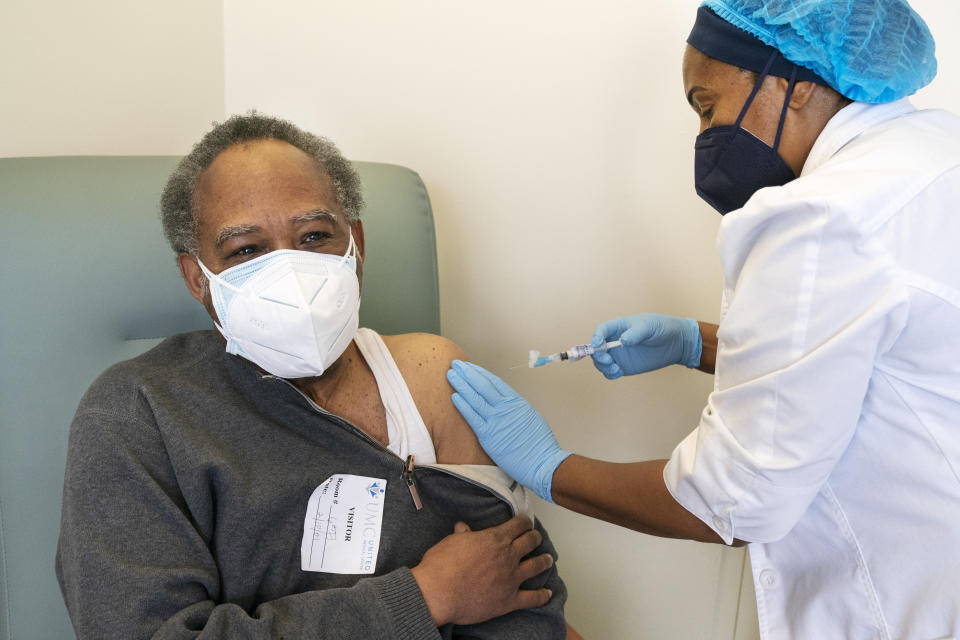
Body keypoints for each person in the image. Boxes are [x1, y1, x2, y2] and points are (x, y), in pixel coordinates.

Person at [447, 1, 960, 638]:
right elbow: (868, 349)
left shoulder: (823, 220)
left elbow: (732, 505)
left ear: (790, 83)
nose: (703, 137)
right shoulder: (932, 151)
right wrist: (697, 344)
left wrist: (551, 467)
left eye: (707, 105)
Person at [55, 113, 571, 639]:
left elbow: (522, 597)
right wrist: (423, 597)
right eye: (247, 251)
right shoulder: (138, 413)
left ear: (357, 246)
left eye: (315, 235)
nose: (290, 273)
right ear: (197, 277)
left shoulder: (427, 374)